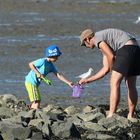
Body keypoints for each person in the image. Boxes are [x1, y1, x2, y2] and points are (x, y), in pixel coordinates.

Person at [79, 28, 140, 119]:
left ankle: (111, 114)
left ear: (87, 39)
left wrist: (113, 72)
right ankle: (130, 115)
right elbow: (106, 69)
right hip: (136, 49)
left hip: (126, 49)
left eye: (84, 44)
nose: (86, 46)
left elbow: (111, 57)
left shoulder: (97, 39)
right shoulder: (105, 41)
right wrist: (88, 80)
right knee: (131, 85)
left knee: (114, 83)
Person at [25, 45, 73, 109]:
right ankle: (33, 114)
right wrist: (37, 73)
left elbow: (58, 74)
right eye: (56, 57)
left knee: (36, 100)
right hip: (30, 82)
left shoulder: (51, 66)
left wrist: (68, 82)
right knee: (37, 100)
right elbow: (31, 64)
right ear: (51, 56)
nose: (57, 59)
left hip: (35, 84)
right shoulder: (42, 61)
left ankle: (29, 109)